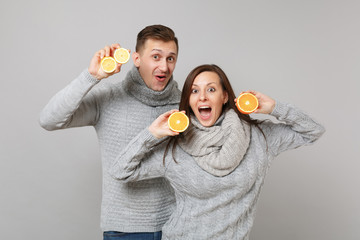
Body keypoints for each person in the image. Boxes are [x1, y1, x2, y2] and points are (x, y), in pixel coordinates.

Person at [109, 64, 325, 239]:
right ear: (190, 101)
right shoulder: (175, 146)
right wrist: (152, 133)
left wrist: (274, 107)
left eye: (211, 89)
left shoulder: (259, 138)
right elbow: (120, 171)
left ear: (224, 97)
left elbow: (313, 131)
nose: (202, 97)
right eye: (195, 91)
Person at [39, 25, 181, 240]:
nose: (164, 66)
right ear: (137, 59)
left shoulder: (186, 104)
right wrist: (90, 76)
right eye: (155, 57)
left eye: (171, 58)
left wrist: (246, 110)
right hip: (124, 230)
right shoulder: (109, 98)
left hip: (177, 227)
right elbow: (48, 119)